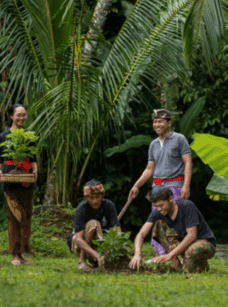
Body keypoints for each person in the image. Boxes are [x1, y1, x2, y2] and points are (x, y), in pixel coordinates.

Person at [128, 108, 192, 255]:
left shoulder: (179, 139)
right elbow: (149, 169)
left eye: (160, 122)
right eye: (155, 122)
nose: (157, 125)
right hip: (157, 188)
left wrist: (186, 185)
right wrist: (137, 185)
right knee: (158, 220)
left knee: (176, 219)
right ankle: (160, 255)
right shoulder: (154, 144)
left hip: (175, 186)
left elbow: (188, 162)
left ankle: (178, 254)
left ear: (169, 123)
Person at [129, 186, 216, 273]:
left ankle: (201, 264)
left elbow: (192, 236)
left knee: (192, 253)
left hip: (204, 243)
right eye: (156, 206)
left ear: (170, 199)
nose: (159, 209)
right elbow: (141, 234)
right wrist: (137, 254)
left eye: (161, 205)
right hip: (183, 244)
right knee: (158, 223)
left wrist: (169, 255)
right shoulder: (158, 212)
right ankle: (176, 263)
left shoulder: (187, 206)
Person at [0, 103, 38, 265]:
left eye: (24, 115)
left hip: (26, 176)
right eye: (18, 115)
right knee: (14, 216)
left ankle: (22, 254)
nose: (22, 118)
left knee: (26, 216)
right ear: (11, 116)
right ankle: (14, 254)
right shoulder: (3, 136)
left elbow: (32, 157)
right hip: (10, 177)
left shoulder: (29, 135)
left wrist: (35, 169)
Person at [67, 180, 121, 272]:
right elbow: (78, 239)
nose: (95, 201)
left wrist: (119, 247)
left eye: (97, 197)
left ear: (102, 196)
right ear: (86, 197)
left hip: (100, 241)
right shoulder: (81, 208)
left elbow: (117, 231)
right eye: (91, 198)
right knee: (94, 223)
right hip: (79, 244)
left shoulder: (109, 205)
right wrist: (95, 254)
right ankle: (82, 261)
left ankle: (95, 263)